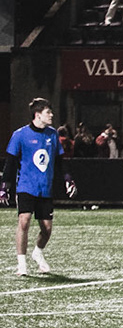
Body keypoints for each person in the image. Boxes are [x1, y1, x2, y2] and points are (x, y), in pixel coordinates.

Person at [6, 99, 66, 275]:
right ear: (37, 115)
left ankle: (37, 253)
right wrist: (4, 186)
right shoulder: (20, 135)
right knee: (24, 221)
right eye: (48, 112)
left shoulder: (52, 134)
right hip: (26, 186)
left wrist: (68, 179)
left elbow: (60, 161)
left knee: (46, 229)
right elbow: (10, 162)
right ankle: (22, 265)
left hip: (45, 188)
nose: (51, 115)